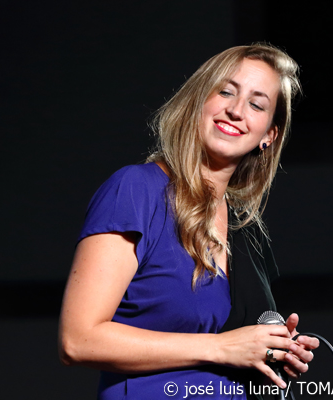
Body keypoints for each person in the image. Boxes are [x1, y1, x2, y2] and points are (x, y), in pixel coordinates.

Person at [58, 44, 319, 400]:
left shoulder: (245, 229)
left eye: (257, 105)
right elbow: (77, 340)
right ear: (198, 100)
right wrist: (221, 348)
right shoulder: (136, 190)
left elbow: (238, 343)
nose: (236, 110)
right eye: (225, 91)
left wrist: (274, 347)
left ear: (268, 136)